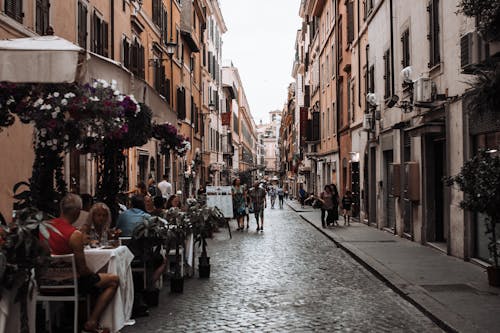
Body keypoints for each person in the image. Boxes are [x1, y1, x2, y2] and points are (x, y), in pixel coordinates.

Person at [39, 194, 119, 333]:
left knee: (93, 281)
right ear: (77, 212)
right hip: (69, 284)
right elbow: (83, 270)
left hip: (44, 284)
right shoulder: (74, 235)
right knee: (113, 280)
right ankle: (92, 322)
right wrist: (96, 273)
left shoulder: (44, 228)